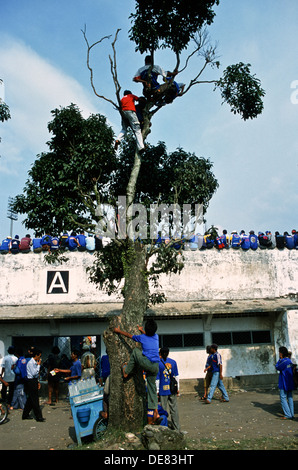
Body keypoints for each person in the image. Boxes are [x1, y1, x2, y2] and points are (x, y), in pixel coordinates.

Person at [114, 319, 160, 423]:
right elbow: (149, 334)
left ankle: (126, 372)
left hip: (147, 363)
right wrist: (142, 330)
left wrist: (118, 331)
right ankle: (155, 413)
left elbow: (128, 335)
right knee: (152, 389)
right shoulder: (156, 337)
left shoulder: (142, 337)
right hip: (155, 366)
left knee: (135, 351)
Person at [157, 347, 180, 431]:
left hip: (163, 390)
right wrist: (178, 388)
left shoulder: (158, 363)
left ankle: (164, 428)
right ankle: (177, 428)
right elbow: (176, 376)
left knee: (163, 410)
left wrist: (157, 390)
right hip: (172, 389)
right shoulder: (173, 362)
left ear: (160, 353)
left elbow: (157, 378)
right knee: (174, 409)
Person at [22, 348, 45, 422]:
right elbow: (34, 373)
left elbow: (36, 375)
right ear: (36, 355)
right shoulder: (31, 363)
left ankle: (25, 415)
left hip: (34, 381)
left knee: (30, 400)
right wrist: (38, 365)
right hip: (31, 382)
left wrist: (38, 382)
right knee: (35, 400)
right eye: (39, 356)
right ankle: (38, 417)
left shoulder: (34, 362)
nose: (40, 358)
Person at [275, 346, 295, 419]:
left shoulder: (283, 361)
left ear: (281, 353)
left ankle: (288, 414)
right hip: (290, 381)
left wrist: (280, 359)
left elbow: (277, 367)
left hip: (284, 382)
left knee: (283, 397)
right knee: (290, 397)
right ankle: (291, 414)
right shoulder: (289, 361)